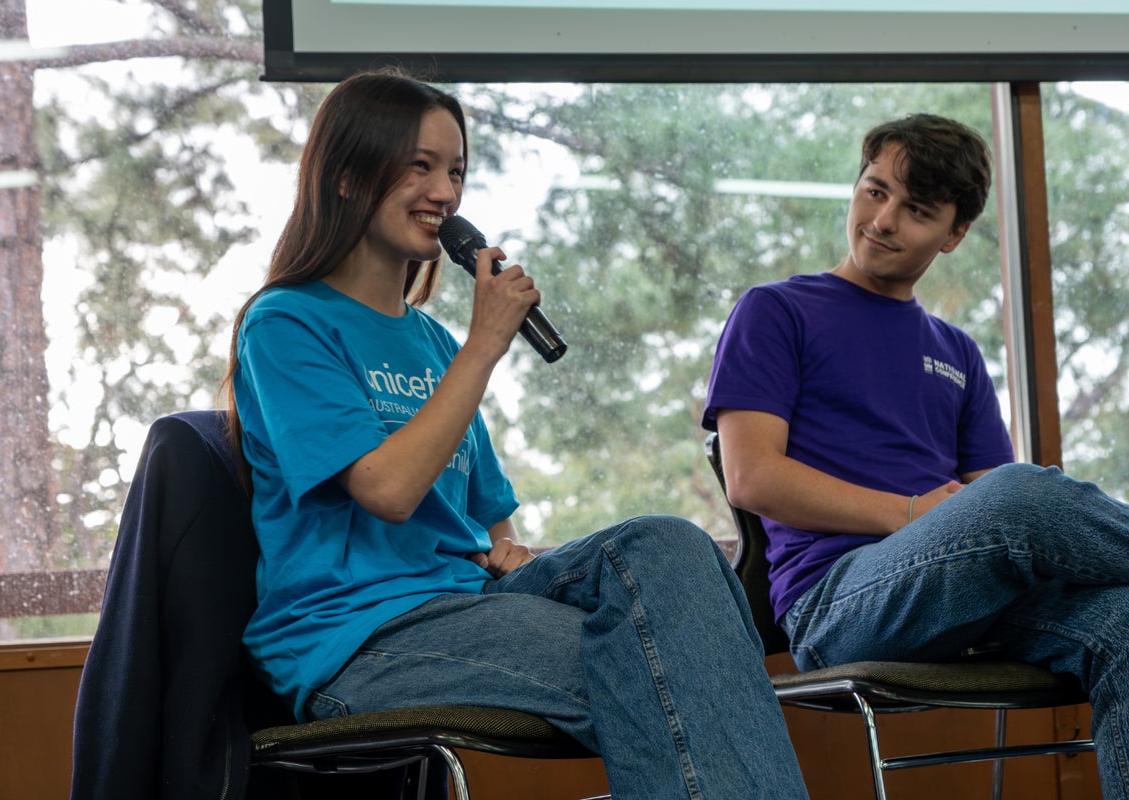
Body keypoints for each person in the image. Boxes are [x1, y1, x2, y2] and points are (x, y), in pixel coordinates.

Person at [222, 69, 808, 800]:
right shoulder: (285, 323)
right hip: (362, 638)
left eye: (456, 170)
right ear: (345, 175)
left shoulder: (432, 343)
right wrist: (485, 346)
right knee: (679, 670)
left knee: (671, 546)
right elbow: (389, 490)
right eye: (419, 166)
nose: (445, 192)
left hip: (473, 600)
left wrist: (508, 547)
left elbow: (486, 512)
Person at [703, 112, 1129, 799]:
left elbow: (1000, 513)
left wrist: (958, 519)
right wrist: (913, 514)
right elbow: (752, 477)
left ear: (954, 235)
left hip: (966, 599)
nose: (883, 220)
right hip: (837, 602)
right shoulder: (776, 311)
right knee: (1021, 494)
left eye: (917, 211)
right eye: (874, 191)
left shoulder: (957, 351)